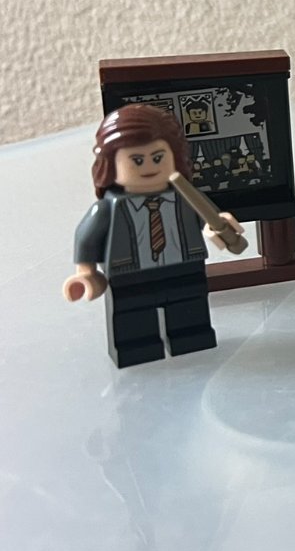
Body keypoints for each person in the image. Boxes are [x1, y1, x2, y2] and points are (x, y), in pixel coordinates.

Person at [65, 104, 244, 367]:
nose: (149, 166)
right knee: (133, 315)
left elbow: (208, 219)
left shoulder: (186, 197)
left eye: (158, 157)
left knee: (189, 307)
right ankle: (137, 346)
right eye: (137, 160)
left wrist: (218, 226)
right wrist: (87, 273)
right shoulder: (108, 209)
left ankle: (191, 336)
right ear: (111, 164)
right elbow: (87, 238)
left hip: (185, 266)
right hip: (130, 274)